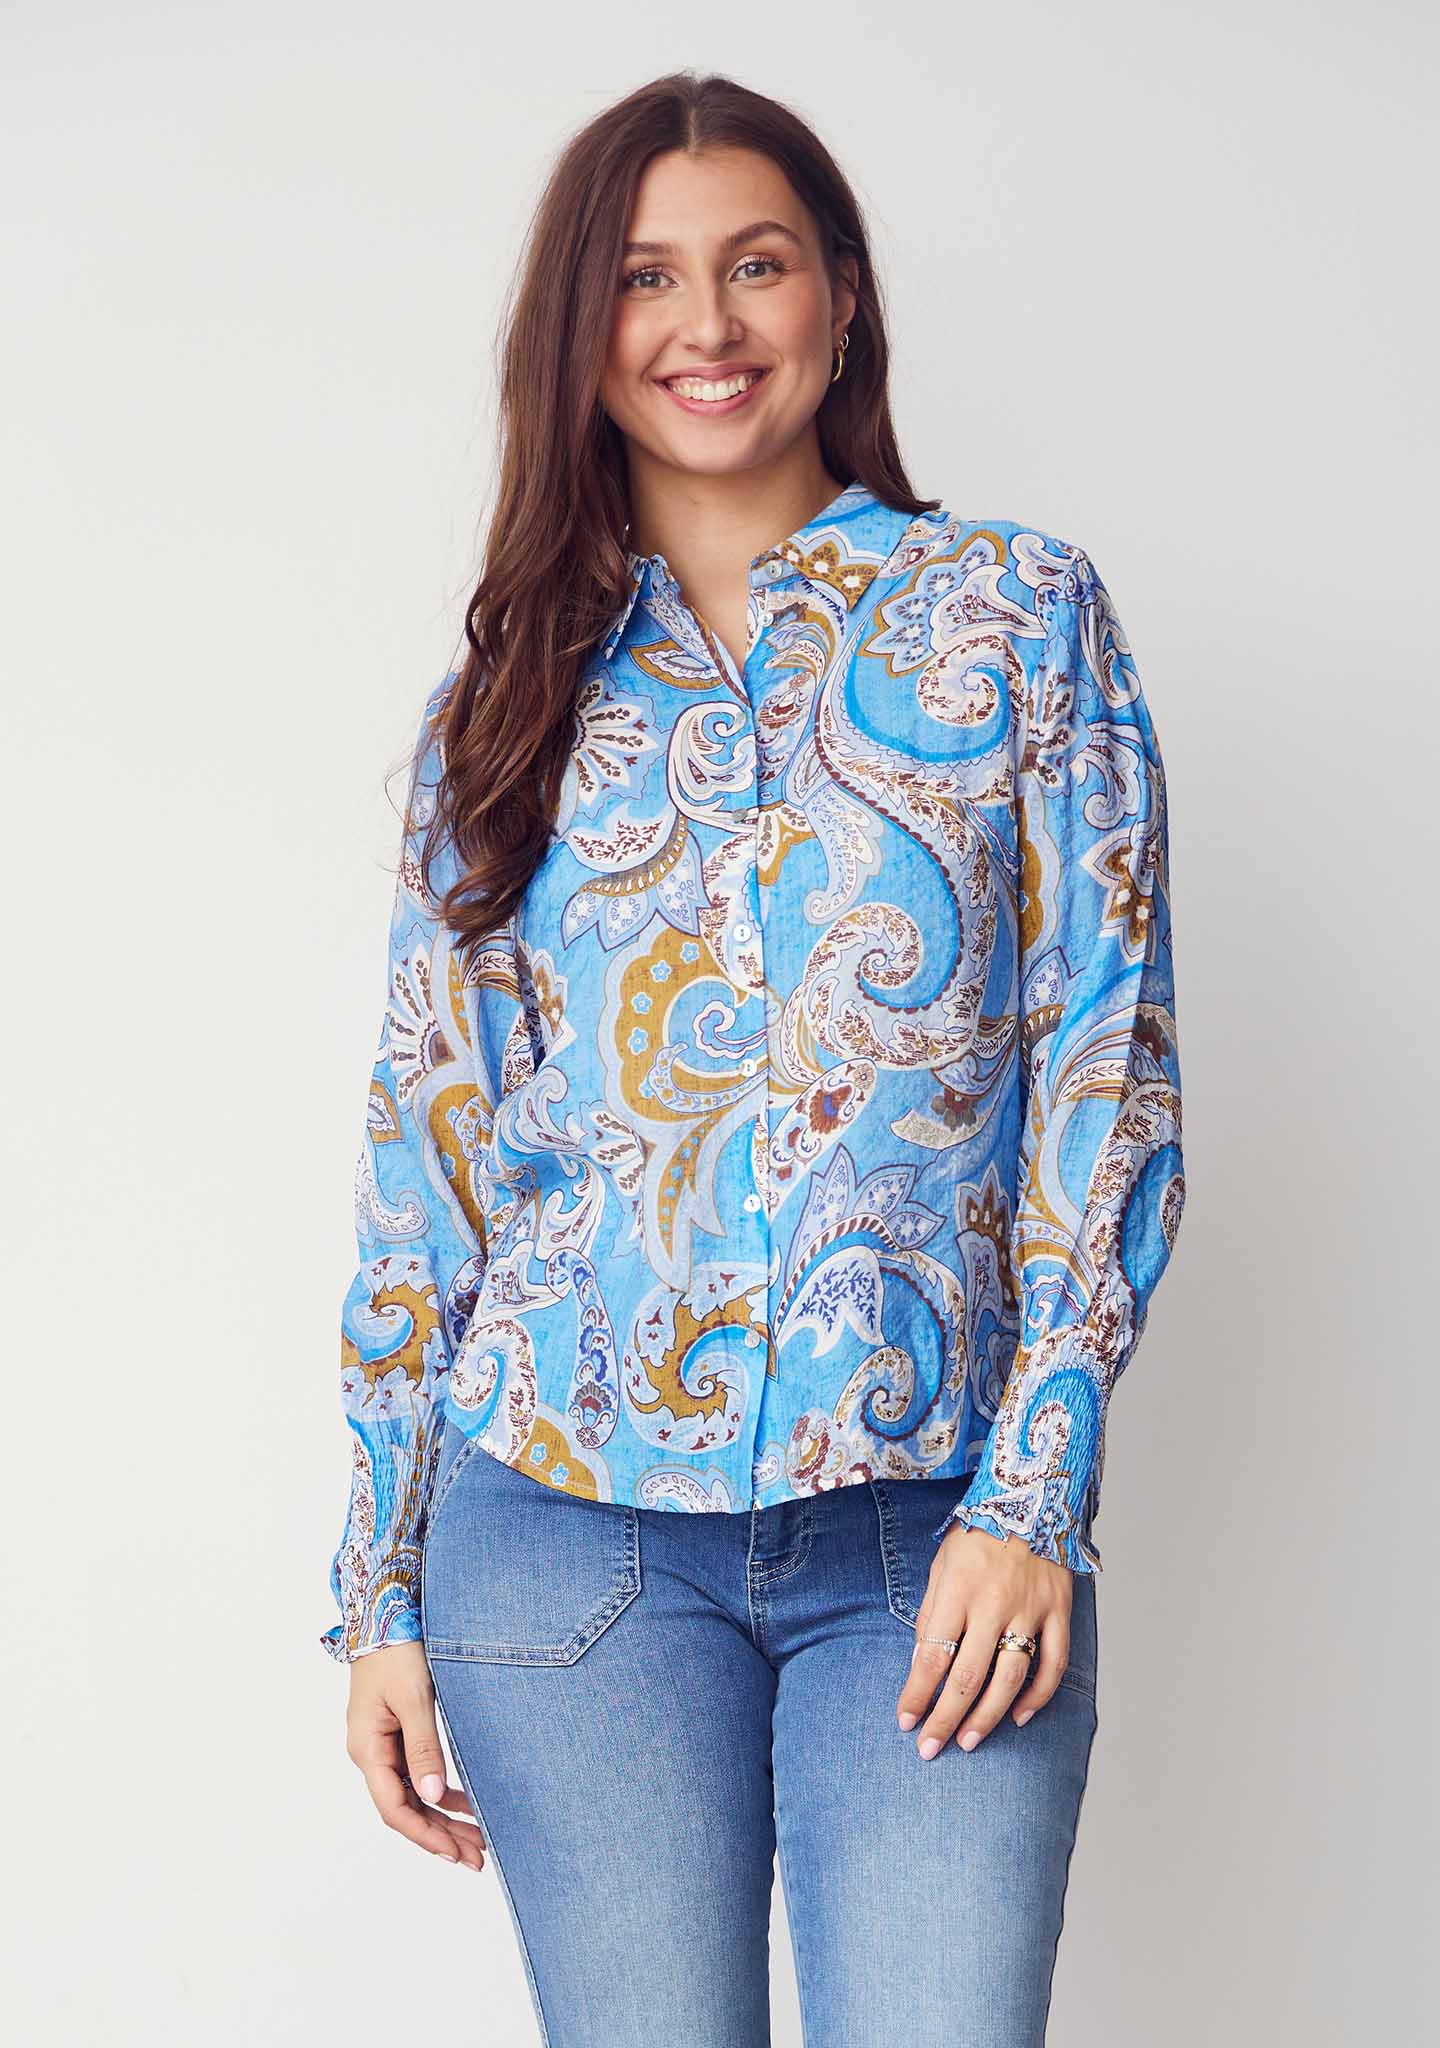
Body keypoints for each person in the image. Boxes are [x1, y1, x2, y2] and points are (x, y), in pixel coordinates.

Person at [320, 69, 1186, 2048]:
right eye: (645, 277)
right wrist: (376, 1588)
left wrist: (1035, 1496)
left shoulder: (1015, 620)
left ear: (842, 297)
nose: (704, 324)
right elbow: (431, 1150)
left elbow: (1108, 1073)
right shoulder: (508, 702)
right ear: (582, 329)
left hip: (934, 1525)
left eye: (757, 264)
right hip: (566, 1536)